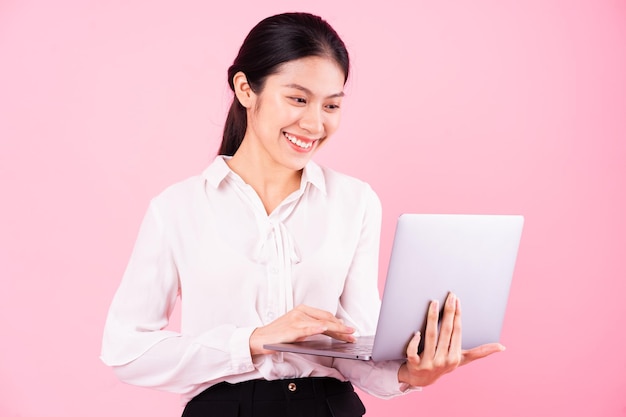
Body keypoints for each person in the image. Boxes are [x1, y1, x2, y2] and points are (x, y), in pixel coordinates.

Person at [100, 12, 504, 417]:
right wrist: (253, 340)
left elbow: (353, 344)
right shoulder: (177, 208)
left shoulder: (355, 201)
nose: (314, 123)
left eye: (331, 105)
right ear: (245, 89)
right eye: (298, 99)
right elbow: (126, 350)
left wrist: (411, 375)